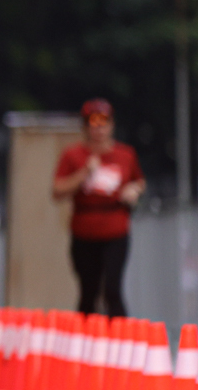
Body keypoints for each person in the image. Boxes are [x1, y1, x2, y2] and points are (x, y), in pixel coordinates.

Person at [52, 97, 144, 316]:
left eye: (104, 123)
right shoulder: (74, 156)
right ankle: (86, 333)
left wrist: (134, 190)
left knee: (112, 289)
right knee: (89, 291)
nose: (99, 129)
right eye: (94, 123)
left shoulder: (125, 155)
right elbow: (57, 190)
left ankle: (119, 333)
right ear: (85, 127)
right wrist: (84, 173)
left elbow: (139, 181)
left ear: (112, 125)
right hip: (85, 231)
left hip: (115, 230)